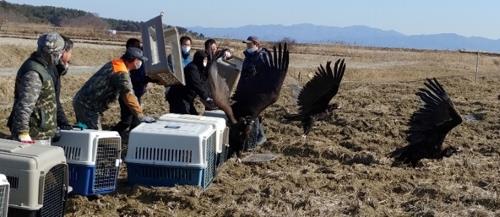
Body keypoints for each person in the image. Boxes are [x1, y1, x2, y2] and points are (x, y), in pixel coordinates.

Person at [73, 47, 155, 130]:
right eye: (139, 60)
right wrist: (140, 115)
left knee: (86, 131)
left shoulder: (116, 63)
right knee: (95, 135)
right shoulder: (121, 72)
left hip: (84, 102)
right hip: (87, 106)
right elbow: (129, 96)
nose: (140, 63)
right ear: (132, 60)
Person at [7, 32, 65, 145]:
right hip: (34, 135)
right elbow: (25, 105)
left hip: (41, 132)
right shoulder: (34, 73)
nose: (61, 55)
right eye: (59, 52)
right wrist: (23, 132)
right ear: (53, 53)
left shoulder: (43, 66)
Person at [112, 38, 154, 135]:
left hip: (136, 93)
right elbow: (135, 80)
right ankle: (112, 134)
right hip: (127, 95)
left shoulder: (140, 59)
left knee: (136, 121)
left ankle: (131, 138)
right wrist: (148, 79)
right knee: (127, 121)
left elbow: (144, 74)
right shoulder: (126, 64)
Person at [241, 35, 271, 147]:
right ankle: (259, 135)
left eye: (250, 44)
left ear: (256, 44)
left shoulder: (263, 57)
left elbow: (266, 75)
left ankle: (258, 137)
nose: (248, 46)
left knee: (253, 113)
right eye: (247, 44)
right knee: (253, 114)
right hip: (247, 89)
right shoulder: (248, 56)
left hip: (257, 91)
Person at [166, 50, 217, 115]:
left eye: (206, 60)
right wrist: (206, 97)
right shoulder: (192, 68)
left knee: (193, 115)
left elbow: (204, 84)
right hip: (179, 97)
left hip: (188, 99)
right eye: (204, 60)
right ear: (199, 59)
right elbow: (196, 84)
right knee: (184, 117)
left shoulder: (199, 70)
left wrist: (211, 96)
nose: (205, 62)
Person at [53, 34, 74, 130]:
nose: (71, 56)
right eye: (70, 52)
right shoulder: (51, 71)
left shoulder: (55, 70)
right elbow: (54, 100)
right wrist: (63, 123)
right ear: (62, 52)